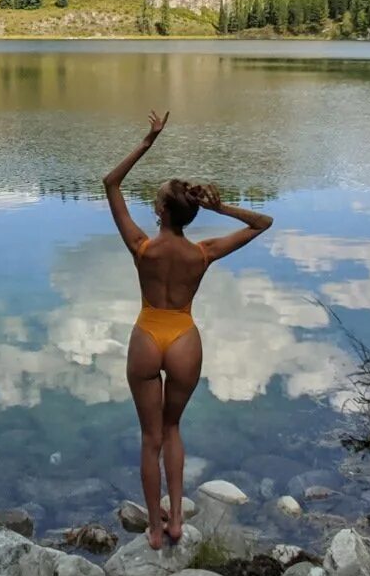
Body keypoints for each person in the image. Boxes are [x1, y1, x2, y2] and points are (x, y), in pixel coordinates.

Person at [103, 110, 273, 548]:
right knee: (173, 429)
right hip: (183, 339)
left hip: (146, 337)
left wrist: (149, 140)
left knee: (150, 437)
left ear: (159, 211)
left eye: (155, 199)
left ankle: (155, 532)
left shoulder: (141, 248)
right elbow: (263, 223)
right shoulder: (204, 252)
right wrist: (221, 207)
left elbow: (111, 183)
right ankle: (177, 519)